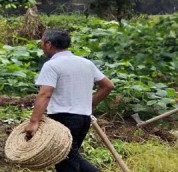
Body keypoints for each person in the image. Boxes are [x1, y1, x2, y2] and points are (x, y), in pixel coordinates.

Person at [25, 29, 114, 172]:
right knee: (70, 157)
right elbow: (108, 86)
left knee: (66, 162)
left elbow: (45, 94)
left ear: (48, 44)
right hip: (84, 119)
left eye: (42, 42)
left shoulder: (52, 65)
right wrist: (89, 104)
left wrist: (34, 122)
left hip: (63, 120)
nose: (42, 46)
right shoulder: (86, 63)